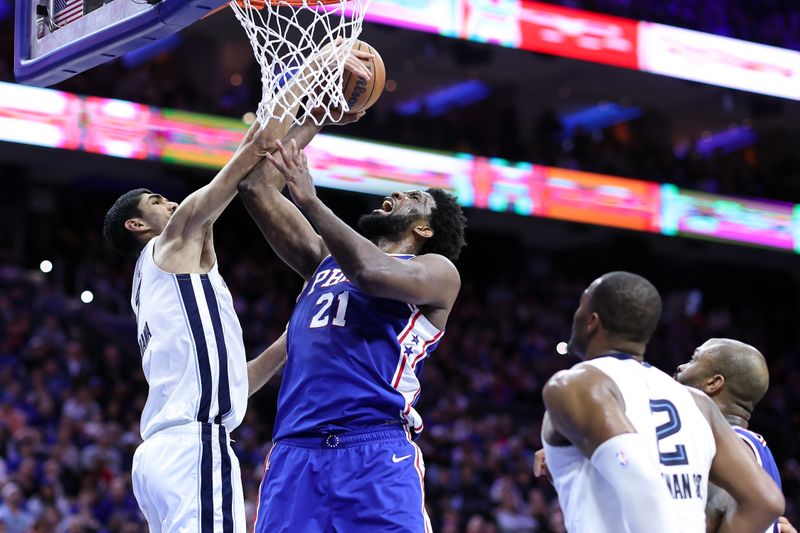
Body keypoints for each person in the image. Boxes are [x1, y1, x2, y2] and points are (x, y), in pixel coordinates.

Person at [100, 50, 368, 529]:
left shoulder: (151, 283)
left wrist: (298, 335)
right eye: (158, 201)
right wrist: (319, 73)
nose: (173, 202)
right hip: (191, 446)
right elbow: (256, 148)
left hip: (162, 456)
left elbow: (234, 381)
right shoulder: (174, 237)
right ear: (138, 223)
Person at [237, 137, 467, 531]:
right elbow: (254, 187)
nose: (396, 193)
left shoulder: (436, 271)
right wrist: (308, 115)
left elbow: (371, 274)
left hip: (374, 452)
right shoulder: (325, 259)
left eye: (413, 197)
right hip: (295, 451)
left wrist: (310, 201)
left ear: (425, 228)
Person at [538, 271, 784, 533]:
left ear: (592, 321)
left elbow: (642, 483)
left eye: (580, 304)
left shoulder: (573, 384)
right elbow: (765, 502)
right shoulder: (697, 402)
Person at [676, 338, 795, 533]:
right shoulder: (753, 448)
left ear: (713, 383)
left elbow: (708, 518)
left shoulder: (722, 448)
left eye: (692, 360)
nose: (681, 367)